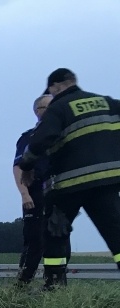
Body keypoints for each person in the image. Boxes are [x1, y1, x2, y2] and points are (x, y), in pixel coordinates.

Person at [17, 68, 120, 288]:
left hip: (69, 184)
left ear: (55, 86)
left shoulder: (59, 107)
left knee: (55, 233)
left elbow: (40, 141)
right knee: (115, 233)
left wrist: (26, 166)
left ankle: (54, 285)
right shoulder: (107, 102)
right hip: (106, 182)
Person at [12, 94, 52, 284]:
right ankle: (22, 284)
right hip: (35, 193)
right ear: (38, 111)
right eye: (49, 107)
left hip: (57, 194)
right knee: (35, 239)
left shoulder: (61, 136)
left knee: (59, 238)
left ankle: (55, 284)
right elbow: (18, 167)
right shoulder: (28, 137)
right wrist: (24, 194)